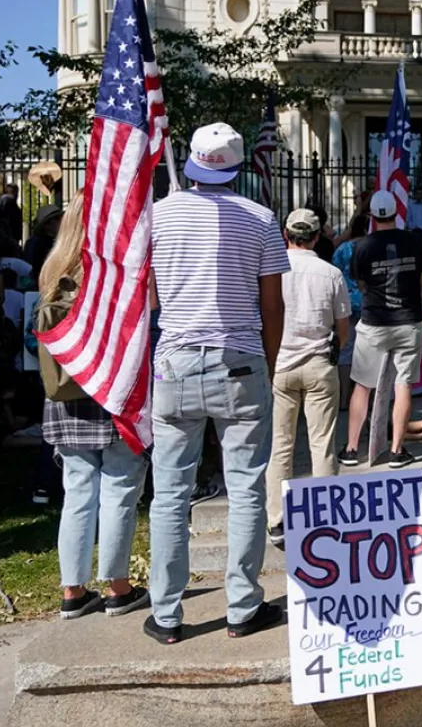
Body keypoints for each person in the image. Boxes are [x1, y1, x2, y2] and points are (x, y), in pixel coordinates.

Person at [146, 122, 290, 645]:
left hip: (176, 362)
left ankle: (166, 613)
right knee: (247, 488)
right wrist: (269, 364)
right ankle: (242, 605)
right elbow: (272, 304)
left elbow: (150, 297)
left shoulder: (158, 217)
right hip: (241, 359)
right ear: (235, 167)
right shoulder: (260, 219)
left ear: (192, 163)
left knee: (170, 493)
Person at [37, 197, 150, 618]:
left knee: (78, 493)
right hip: (111, 391)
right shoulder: (110, 270)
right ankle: (118, 586)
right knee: (120, 487)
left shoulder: (52, 269)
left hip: (66, 397)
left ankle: (73, 590)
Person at [266, 209, 351, 546]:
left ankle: (277, 519)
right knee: (322, 444)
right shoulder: (330, 273)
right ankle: (325, 514)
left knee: (280, 444)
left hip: (280, 363)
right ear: (317, 237)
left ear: (286, 235)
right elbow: (342, 325)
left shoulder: (273, 270)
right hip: (318, 362)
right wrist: (334, 348)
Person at [343, 190, 422, 469]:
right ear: (397, 213)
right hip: (408, 320)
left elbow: (361, 285)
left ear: (371, 216)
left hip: (374, 322)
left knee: (362, 385)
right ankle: (396, 450)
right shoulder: (415, 242)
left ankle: (352, 448)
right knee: (403, 384)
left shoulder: (363, 246)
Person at [331, 211, 369, 409]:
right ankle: (364, 399)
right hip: (367, 301)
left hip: (345, 301)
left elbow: (334, 273)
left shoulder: (343, 249)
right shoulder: (370, 247)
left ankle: (344, 398)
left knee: (345, 350)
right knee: (368, 350)